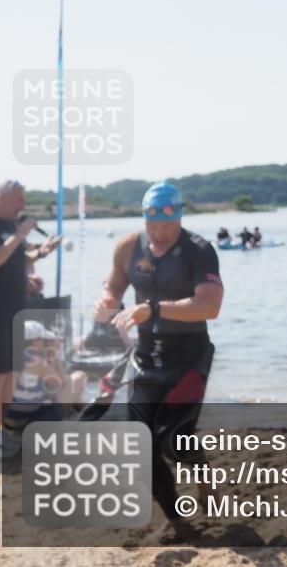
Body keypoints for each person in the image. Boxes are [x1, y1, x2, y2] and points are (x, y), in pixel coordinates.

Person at [94, 182, 223, 538]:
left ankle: (204, 476)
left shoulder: (199, 250)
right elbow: (113, 287)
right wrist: (105, 301)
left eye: (167, 226)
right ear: (144, 218)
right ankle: (176, 519)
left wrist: (152, 310)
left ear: (179, 218)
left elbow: (210, 306)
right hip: (147, 357)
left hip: (189, 357)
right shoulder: (128, 247)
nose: (159, 233)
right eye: (152, 226)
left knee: (173, 439)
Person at [0, 180, 61, 457]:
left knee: (10, 376)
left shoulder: (9, 228)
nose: (23, 206)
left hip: (15, 311)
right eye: (19, 200)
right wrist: (19, 233)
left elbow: (17, 258)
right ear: (2, 198)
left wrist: (40, 253)